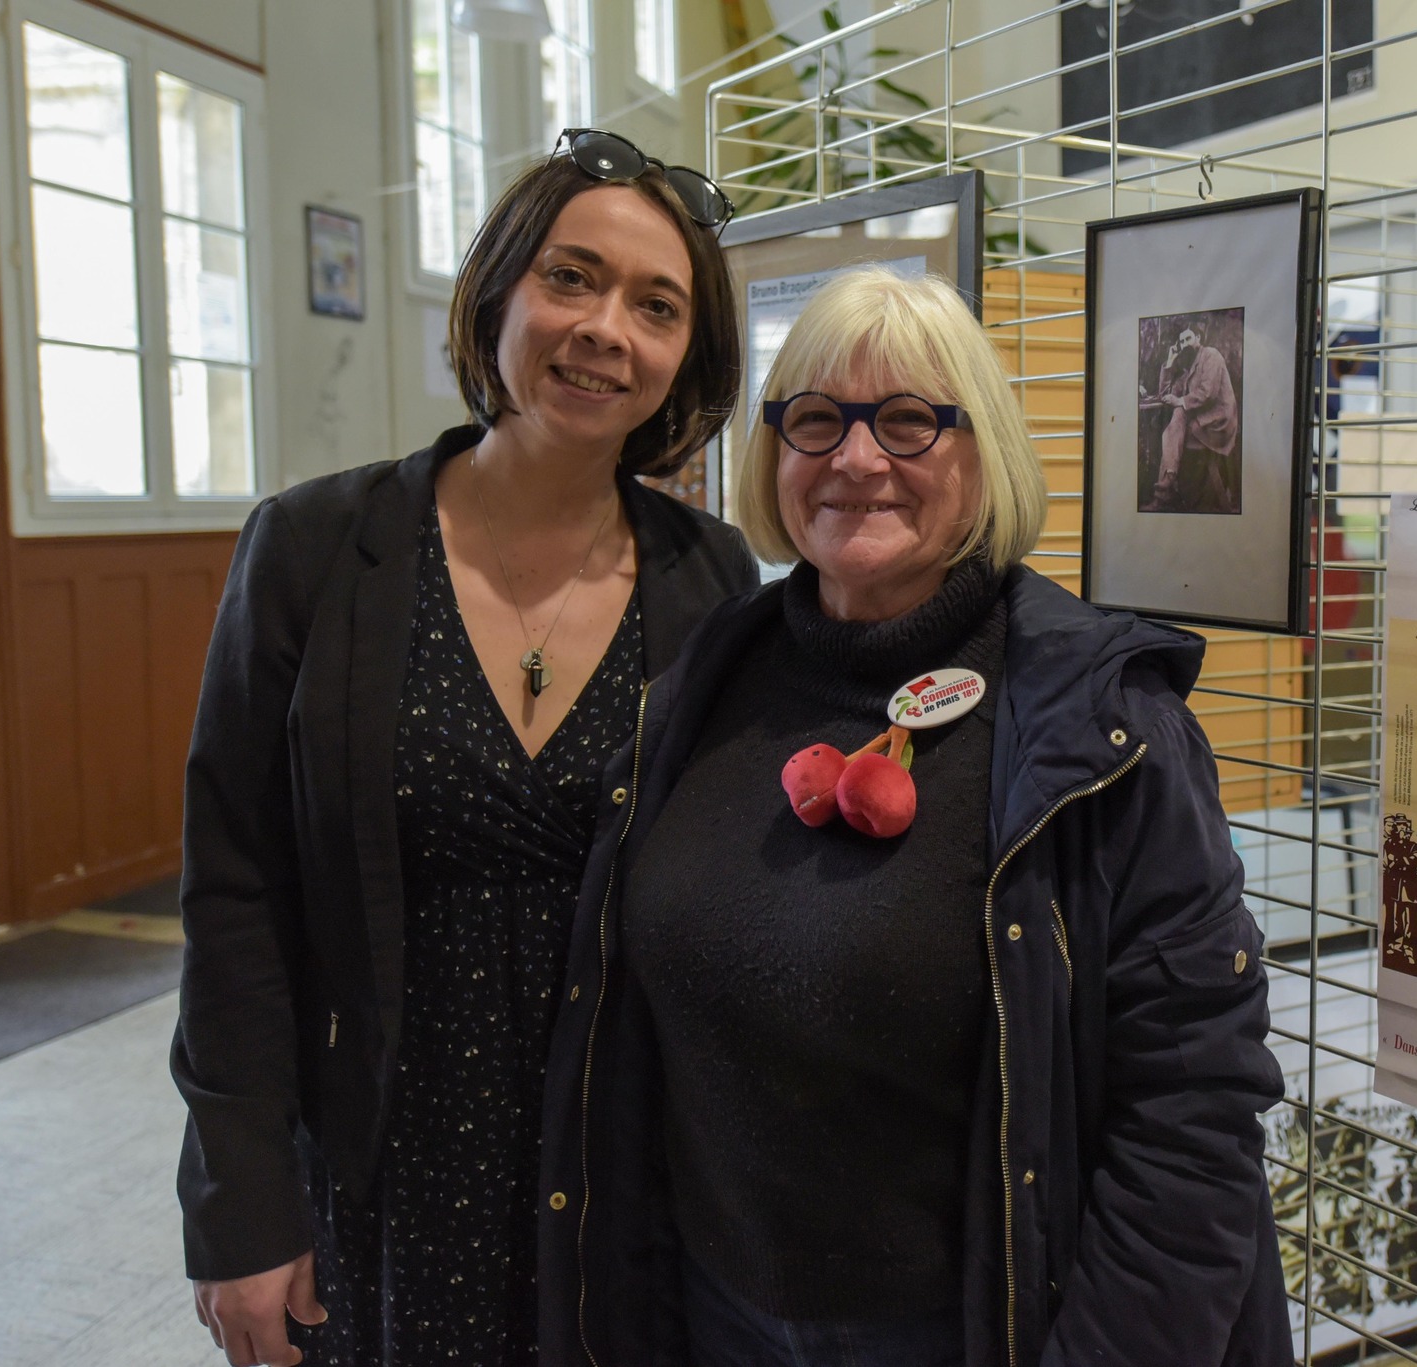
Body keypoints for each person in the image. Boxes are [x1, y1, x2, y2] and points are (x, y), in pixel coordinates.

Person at [535, 267, 1291, 1367]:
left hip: (973, 1328)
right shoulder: (704, 681)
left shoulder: (1104, 724)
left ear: (980, 450)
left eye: (905, 421)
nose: (854, 458)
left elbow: (1193, 1115)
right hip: (708, 1313)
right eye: (814, 421)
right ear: (772, 453)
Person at [174, 129, 758, 1367]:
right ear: (498, 292)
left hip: (619, 1179)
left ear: (685, 360)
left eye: (656, 306)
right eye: (570, 278)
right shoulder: (313, 548)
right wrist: (238, 1202)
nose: (607, 328)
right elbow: (235, 892)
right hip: (380, 1168)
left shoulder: (710, 579)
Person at [1151, 325, 1239, 511]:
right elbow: (1165, 395)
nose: (1184, 344)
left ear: (1198, 338)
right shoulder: (1189, 368)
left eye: (1188, 339)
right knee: (1175, 421)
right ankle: (1168, 482)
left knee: (1176, 422)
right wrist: (1170, 360)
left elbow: (1208, 393)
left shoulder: (1210, 356)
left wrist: (1180, 400)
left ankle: (1165, 490)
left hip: (1218, 423)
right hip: (1202, 422)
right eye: (1181, 342)